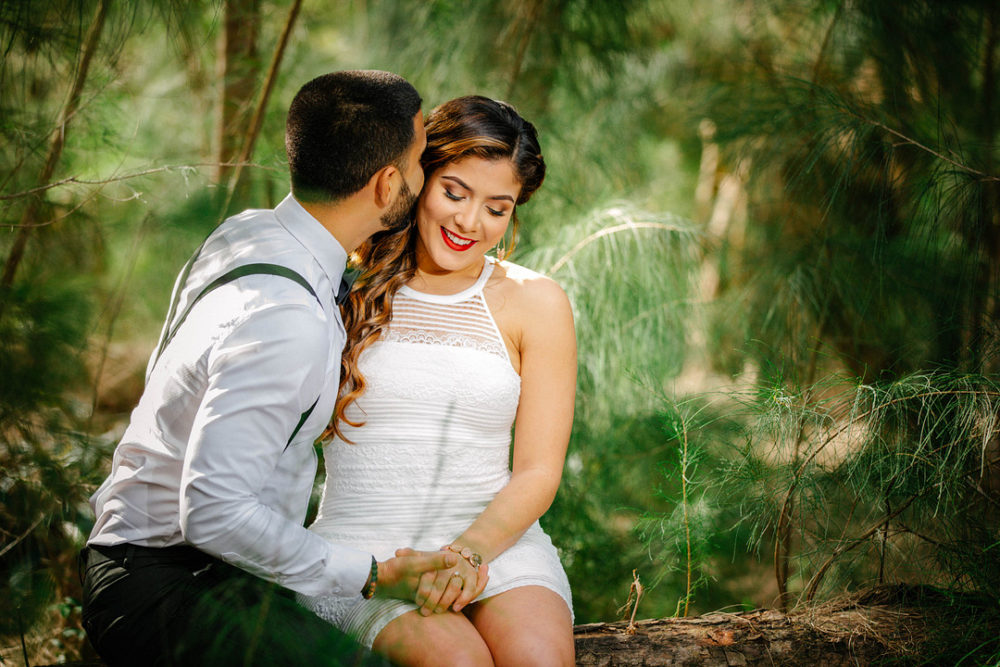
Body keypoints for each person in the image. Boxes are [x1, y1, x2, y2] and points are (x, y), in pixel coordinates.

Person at [79, 70, 475, 667]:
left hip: (188, 567)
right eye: (421, 162)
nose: (423, 181)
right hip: (167, 587)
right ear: (387, 180)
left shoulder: (248, 232)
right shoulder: (287, 318)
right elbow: (211, 510)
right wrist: (368, 573)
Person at [299, 95, 577, 666]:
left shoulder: (537, 303)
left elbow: (538, 471)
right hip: (365, 548)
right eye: (455, 192)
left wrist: (468, 554)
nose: (470, 223)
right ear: (418, 177)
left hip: (497, 546)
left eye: (497, 208)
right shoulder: (342, 290)